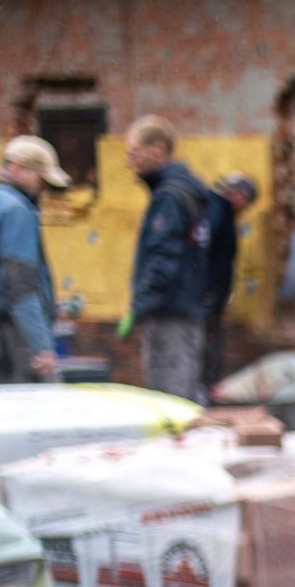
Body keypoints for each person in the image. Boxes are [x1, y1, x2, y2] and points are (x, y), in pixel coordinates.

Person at [0, 136, 69, 385]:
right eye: (41, 180)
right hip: (13, 332)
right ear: (17, 167)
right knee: (39, 411)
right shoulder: (15, 209)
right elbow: (20, 284)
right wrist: (41, 345)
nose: (43, 189)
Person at [119, 115, 209, 402]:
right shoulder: (186, 193)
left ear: (157, 150)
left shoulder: (169, 198)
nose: (129, 162)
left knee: (170, 401)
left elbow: (164, 258)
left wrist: (139, 306)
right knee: (185, 393)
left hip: (170, 314)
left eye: (134, 153)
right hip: (187, 310)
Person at [201, 171, 259, 391]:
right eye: (247, 201)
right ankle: (206, 388)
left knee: (210, 339)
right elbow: (206, 247)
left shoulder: (219, 210)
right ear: (239, 195)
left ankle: (208, 386)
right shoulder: (218, 210)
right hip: (208, 293)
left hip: (211, 292)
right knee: (207, 341)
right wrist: (209, 289)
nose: (245, 208)